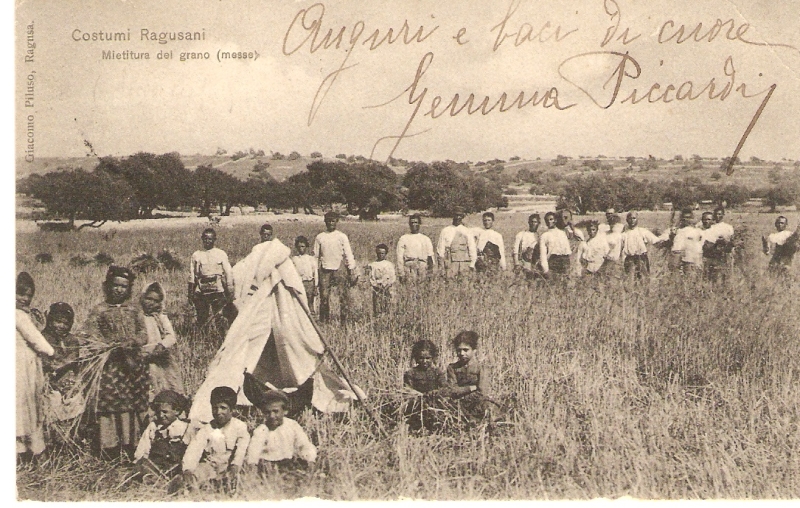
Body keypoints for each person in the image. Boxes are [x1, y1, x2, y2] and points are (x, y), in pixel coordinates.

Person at [82, 265, 150, 460]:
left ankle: (131, 445)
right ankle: (110, 448)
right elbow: (91, 333)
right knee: (111, 404)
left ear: (129, 289)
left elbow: (143, 333)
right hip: (110, 367)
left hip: (132, 366)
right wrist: (106, 346)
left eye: (124, 286)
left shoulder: (134, 309)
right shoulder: (100, 310)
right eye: (115, 285)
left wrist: (132, 342)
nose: (119, 289)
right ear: (107, 286)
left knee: (131, 404)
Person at [16, 272, 55, 464]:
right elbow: (38, 341)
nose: (25, 298)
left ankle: (20, 453)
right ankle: (37, 453)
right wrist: (51, 353)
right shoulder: (19, 315)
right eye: (20, 293)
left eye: (28, 295)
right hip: (24, 367)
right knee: (29, 408)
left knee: (18, 410)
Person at [181, 386, 250, 491]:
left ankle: (221, 486)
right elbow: (194, 449)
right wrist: (188, 469)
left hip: (230, 467)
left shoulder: (239, 427)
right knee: (197, 473)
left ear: (232, 409)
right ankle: (189, 486)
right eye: (215, 408)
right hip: (211, 468)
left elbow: (241, 449)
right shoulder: (207, 429)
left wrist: (235, 466)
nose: (218, 412)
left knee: (239, 479)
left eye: (223, 408)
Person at [245, 390, 317, 474]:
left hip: (287, 464)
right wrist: (252, 469)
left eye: (275, 411)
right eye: (267, 412)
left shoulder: (292, 425)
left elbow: (304, 445)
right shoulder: (261, 430)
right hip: (267, 466)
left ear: (285, 411)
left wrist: (310, 460)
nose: (272, 416)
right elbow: (253, 453)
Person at [41, 302, 85, 430]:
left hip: (70, 385)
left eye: (66, 323)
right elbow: (46, 363)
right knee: (52, 414)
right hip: (51, 386)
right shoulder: (43, 338)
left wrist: (60, 363)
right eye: (57, 321)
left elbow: (73, 358)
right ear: (50, 320)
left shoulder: (72, 340)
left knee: (73, 412)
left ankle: (70, 439)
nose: (61, 326)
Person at [133, 390, 190, 482]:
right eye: (158, 412)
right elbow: (143, 447)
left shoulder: (184, 428)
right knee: (142, 466)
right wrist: (139, 461)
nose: (161, 415)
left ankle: (175, 481)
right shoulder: (154, 427)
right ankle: (156, 480)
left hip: (176, 466)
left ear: (177, 411)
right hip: (157, 466)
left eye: (165, 412)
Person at [141, 282, 184, 400]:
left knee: (166, 383)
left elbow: (171, 336)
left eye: (155, 301)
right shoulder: (138, 316)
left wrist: (162, 345)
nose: (151, 303)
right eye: (148, 298)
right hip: (143, 356)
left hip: (159, 355)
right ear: (142, 297)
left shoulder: (160, 317)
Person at [188, 228, 236, 332]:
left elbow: (228, 273)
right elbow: (192, 276)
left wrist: (230, 291)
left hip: (217, 290)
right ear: (202, 239)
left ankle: (220, 339)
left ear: (214, 240)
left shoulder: (221, 254)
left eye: (210, 239)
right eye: (205, 239)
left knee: (219, 317)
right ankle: (202, 339)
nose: (207, 241)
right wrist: (190, 293)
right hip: (202, 290)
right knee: (202, 317)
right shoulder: (196, 255)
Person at [313, 211, 358, 323]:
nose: (330, 223)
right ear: (325, 221)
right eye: (328, 221)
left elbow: (348, 253)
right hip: (324, 270)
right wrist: (315, 273)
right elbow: (315, 257)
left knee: (343, 296)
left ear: (337, 221)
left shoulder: (342, 236)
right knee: (324, 297)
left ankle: (344, 320)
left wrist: (351, 269)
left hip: (339, 269)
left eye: (333, 221)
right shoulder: (320, 237)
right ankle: (325, 321)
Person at [444, 331, 491, 423]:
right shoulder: (452, 368)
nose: (461, 353)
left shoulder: (481, 368)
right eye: (459, 350)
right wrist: (471, 388)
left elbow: (482, 391)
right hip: (457, 404)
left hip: (477, 403)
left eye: (466, 350)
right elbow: (452, 389)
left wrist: (464, 396)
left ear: (474, 350)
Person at [403, 340, 449, 432]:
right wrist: (416, 395)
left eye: (428, 358)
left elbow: (444, 388)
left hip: (434, 403)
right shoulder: (410, 373)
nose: (424, 361)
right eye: (421, 358)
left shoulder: (438, 372)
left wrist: (435, 393)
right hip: (416, 404)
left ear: (433, 358)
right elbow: (407, 390)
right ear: (416, 358)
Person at [619, 211, 669, 280]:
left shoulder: (643, 231)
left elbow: (656, 242)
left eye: (634, 218)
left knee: (644, 280)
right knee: (629, 281)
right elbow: (620, 248)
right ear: (627, 220)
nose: (632, 220)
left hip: (641, 258)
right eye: (630, 218)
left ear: (637, 219)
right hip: (629, 259)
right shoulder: (623, 234)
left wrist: (668, 240)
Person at [436, 207, 477, 277]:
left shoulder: (467, 231)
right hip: (450, 263)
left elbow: (472, 248)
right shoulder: (446, 230)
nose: (458, 217)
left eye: (460, 215)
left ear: (462, 217)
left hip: (464, 263)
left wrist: (472, 264)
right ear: (452, 216)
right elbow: (441, 249)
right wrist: (441, 266)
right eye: (456, 215)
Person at [396, 214, 435, 281]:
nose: (414, 224)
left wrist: (430, 272)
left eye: (416, 222)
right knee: (410, 288)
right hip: (409, 266)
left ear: (419, 224)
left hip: (422, 265)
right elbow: (399, 257)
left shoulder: (425, 239)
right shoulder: (404, 238)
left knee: (422, 288)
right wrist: (401, 272)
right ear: (409, 224)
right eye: (412, 222)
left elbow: (430, 256)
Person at [702, 207, 735, 282]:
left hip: (726, 252)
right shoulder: (711, 227)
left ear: (723, 215)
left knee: (726, 273)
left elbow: (732, 240)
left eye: (720, 214)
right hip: (714, 253)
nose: (717, 216)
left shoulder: (728, 227)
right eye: (716, 214)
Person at [670, 209, 705, 275]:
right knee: (675, 276)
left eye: (689, 217)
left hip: (690, 258)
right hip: (676, 256)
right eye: (684, 218)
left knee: (690, 277)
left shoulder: (697, 231)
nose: (686, 220)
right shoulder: (677, 230)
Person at [539, 211, 573, 278]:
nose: (549, 222)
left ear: (555, 220)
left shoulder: (562, 233)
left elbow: (568, 250)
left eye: (551, 219)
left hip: (565, 261)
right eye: (547, 220)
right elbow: (543, 254)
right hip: (553, 261)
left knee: (565, 283)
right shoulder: (544, 236)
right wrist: (545, 270)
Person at [367, 243, 396, 316]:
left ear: (386, 253)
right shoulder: (372, 265)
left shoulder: (389, 264)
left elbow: (392, 277)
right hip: (377, 289)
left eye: (383, 253)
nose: (381, 255)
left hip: (387, 288)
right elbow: (371, 278)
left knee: (388, 305)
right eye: (379, 253)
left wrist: (387, 285)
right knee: (377, 306)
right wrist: (376, 286)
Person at [291, 236, 318, 312]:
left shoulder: (311, 259)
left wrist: (315, 286)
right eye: (299, 247)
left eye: (303, 246)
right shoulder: (294, 259)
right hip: (300, 283)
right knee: (301, 302)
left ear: (306, 247)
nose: (301, 249)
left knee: (311, 302)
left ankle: (313, 319)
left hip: (309, 283)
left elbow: (315, 273)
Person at [512, 213, 541, 278]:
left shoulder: (539, 236)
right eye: (532, 222)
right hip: (524, 262)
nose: (533, 224)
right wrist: (517, 264)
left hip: (535, 263)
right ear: (528, 222)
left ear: (538, 223)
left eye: (535, 222)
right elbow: (515, 251)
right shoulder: (521, 234)